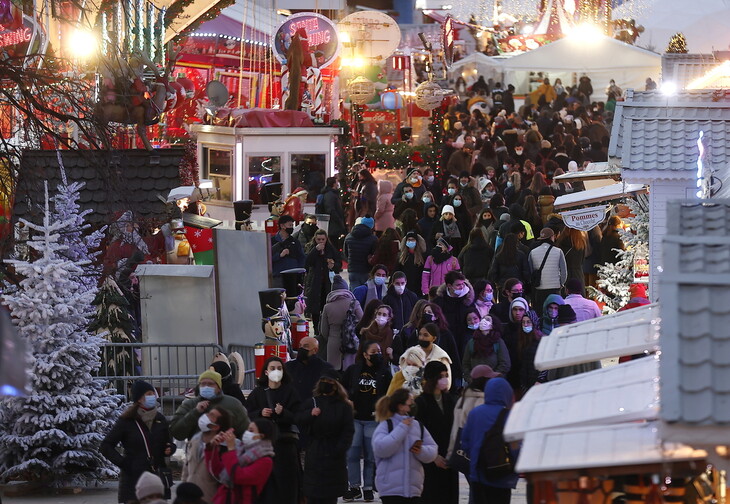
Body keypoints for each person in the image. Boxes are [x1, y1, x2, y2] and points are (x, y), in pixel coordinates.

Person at [101, 382, 176, 504]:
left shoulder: (160, 419)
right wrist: (124, 463)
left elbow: (168, 442)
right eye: (149, 394)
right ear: (140, 399)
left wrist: (170, 448)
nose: (153, 396)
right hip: (134, 479)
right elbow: (106, 446)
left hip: (157, 477)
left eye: (153, 393)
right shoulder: (127, 421)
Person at [245, 357, 302, 504]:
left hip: (285, 443)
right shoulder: (258, 392)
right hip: (262, 444)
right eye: (273, 368)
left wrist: (284, 412)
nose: (276, 371)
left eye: (279, 368)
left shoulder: (291, 391)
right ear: (266, 371)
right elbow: (247, 413)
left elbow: (299, 416)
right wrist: (259, 413)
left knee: (286, 483)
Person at [342, 341, 393, 502]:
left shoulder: (384, 371)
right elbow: (342, 389)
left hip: (374, 419)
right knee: (352, 454)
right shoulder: (353, 370)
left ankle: (368, 487)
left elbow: (389, 393)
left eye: (379, 350)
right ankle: (354, 486)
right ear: (365, 354)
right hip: (356, 418)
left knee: (371, 456)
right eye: (373, 351)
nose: (377, 353)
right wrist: (347, 401)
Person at [298, 370, 355, 504]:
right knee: (313, 494)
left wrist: (338, 450)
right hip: (315, 452)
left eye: (330, 382)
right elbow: (298, 419)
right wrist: (310, 414)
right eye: (324, 381)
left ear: (336, 385)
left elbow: (348, 431)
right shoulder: (312, 402)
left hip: (334, 455)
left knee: (330, 496)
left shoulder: (343, 406)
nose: (326, 384)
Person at [371, 389, 439, 503]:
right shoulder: (387, 425)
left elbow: (433, 450)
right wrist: (402, 428)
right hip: (390, 490)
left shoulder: (417, 426)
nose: (413, 405)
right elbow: (381, 449)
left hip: (414, 489)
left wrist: (420, 451)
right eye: (410, 401)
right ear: (400, 406)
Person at [461, 378, 518, 504]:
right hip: (503, 476)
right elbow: (516, 447)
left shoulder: (475, 413)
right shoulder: (509, 416)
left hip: (479, 474)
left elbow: (465, 442)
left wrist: (476, 456)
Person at [415, 361, 459, 504]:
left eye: (446, 375)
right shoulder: (421, 403)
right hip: (430, 461)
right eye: (441, 376)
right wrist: (434, 457)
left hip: (450, 458)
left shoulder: (451, 400)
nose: (445, 379)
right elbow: (417, 434)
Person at [205, 418, 276, 504]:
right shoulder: (241, 451)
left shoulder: (266, 460)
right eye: (247, 429)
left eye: (251, 430)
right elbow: (217, 470)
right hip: (223, 499)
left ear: (261, 436)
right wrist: (211, 447)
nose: (247, 433)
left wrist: (231, 449)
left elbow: (237, 476)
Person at [446, 365, 500, 472]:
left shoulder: (462, 400)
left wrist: (450, 454)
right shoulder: (483, 401)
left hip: (464, 454)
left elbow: (455, 430)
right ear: (483, 381)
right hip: (481, 456)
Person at [170, 370, 250, 440]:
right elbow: (177, 432)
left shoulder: (233, 404)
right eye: (203, 384)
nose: (206, 387)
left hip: (227, 452)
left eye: (210, 384)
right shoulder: (190, 404)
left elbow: (245, 430)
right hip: (198, 453)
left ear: (219, 387)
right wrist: (195, 413)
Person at [181, 406, 232, 503]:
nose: (205, 416)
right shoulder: (194, 441)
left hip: (211, 499)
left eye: (211, 415)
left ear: (216, 426)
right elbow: (186, 468)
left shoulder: (226, 447)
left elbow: (225, 477)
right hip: (189, 498)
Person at [320, 275, 363, 371]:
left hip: (333, 343)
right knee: (350, 371)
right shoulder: (354, 303)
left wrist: (331, 337)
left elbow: (324, 331)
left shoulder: (327, 307)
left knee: (334, 372)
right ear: (346, 289)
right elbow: (363, 322)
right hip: (351, 341)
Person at [304, 230, 343, 333]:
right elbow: (307, 262)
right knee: (315, 307)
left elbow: (339, 264)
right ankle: (316, 329)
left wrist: (333, 265)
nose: (321, 241)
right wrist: (315, 250)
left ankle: (325, 329)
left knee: (326, 306)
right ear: (315, 239)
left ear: (326, 239)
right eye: (318, 239)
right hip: (314, 282)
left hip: (327, 282)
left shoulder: (331, 249)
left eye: (323, 239)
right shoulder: (311, 247)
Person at [285, 337, 334, 410]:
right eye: (300, 345)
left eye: (305, 346)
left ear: (315, 350)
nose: (301, 348)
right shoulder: (289, 366)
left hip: (315, 409)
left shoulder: (325, 368)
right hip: (292, 408)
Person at [529, 227, 567, 316]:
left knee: (541, 314)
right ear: (552, 237)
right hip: (555, 288)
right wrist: (561, 283)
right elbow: (564, 271)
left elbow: (531, 271)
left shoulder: (532, 252)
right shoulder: (558, 251)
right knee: (555, 314)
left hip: (539, 289)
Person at [462, 313, 510, 381]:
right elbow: (465, 364)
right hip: (475, 383)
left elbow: (505, 364)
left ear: (492, 325)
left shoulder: (498, 342)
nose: (484, 321)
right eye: (483, 319)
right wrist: (470, 379)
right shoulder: (472, 342)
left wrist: (493, 378)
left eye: (487, 320)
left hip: (494, 383)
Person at [432, 270, 475, 341]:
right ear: (449, 286)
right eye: (458, 285)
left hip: (464, 339)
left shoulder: (469, 300)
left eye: (463, 284)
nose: (461, 287)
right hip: (445, 338)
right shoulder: (439, 301)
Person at [414, 323, 454, 390]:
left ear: (434, 338)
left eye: (426, 335)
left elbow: (447, 382)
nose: (421, 338)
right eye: (420, 334)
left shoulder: (441, 356)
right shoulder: (412, 353)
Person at [343, 216, 378, 290]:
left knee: (354, 293)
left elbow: (345, 253)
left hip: (353, 269)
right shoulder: (373, 239)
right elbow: (375, 255)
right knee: (367, 294)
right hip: (366, 270)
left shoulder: (349, 236)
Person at [271, 215, 306, 285]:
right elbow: (267, 259)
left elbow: (301, 257)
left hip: (293, 277)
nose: (291, 227)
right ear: (282, 226)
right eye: (290, 225)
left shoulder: (295, 242)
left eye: (292, 225)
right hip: (278, 276)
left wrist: (300, 271)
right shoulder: (272, 241)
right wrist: (279, 255)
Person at [517, 314, 542, 395]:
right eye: (523, 322)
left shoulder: (540, 340)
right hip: (525, 382)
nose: (525, 325)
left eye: (528, 322)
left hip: (537, 383)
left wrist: (540, 380)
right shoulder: (521, 340)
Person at [320, 177, 346, 248]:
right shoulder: (330, 195)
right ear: (334, 184)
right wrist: (339, 220)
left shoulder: (332, 194)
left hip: (334, 224)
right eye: (337, 182)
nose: (338, 184)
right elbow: (331, 210)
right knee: (334, 244)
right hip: (333, 225)